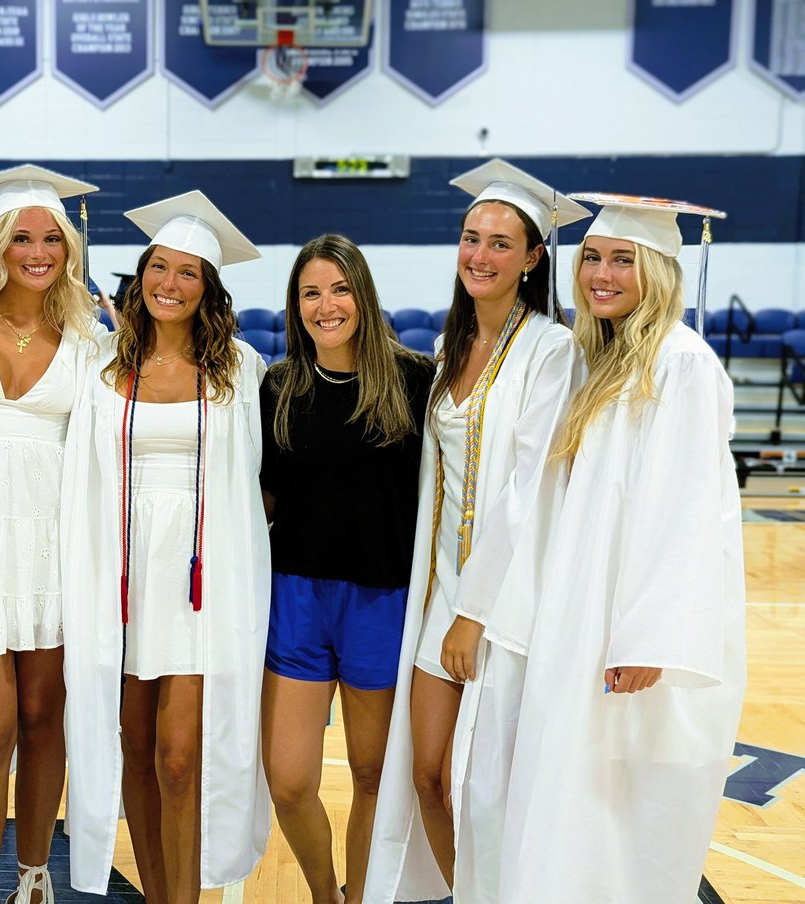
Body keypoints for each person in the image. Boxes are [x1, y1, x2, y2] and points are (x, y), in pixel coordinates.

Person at [495, 196, 746, 903]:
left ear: (660, 269)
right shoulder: (595, 360)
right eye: (594, 258)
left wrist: (648, 636)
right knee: (567, 797)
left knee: (624, 812)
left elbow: (684, 509)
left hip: (629, 631)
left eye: (622, 260)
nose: (602, 274)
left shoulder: (680, 363)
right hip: (579, 619)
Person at [366, 160, 590, 904]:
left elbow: (531, 490)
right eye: (470, 238)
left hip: (505, 604)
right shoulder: (446, 350)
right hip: (440, 594)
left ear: (533, 259)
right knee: (427, 772)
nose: (480, 256)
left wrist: (475, 610)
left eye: (500, 243)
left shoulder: (550, 352)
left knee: (484, 787)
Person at [62, 191, 271, 903]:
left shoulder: (239, 370)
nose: (169, 284)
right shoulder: (102, 370)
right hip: (123, 580)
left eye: (188, 273)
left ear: (209, 288)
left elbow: (260, 480)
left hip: (200, 585)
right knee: (137, 756)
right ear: (140, 274)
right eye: (159, 266)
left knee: (180, 758)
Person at [0, 164, 106, 904]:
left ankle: (35, 875)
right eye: (22, 239)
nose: (38, 252)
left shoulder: (89, 336)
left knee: (46, 719)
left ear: (68, 248)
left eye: (51, 239)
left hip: (51, 539)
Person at [259, 234, 434, 904]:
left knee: (370, 774)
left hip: (381, 602)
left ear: (362, 293)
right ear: (295, 304)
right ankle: (324, 894)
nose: (325, 305)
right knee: (290, 781)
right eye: (310, 292)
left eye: (339, 289)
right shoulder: (279, 387)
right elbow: (264, 501)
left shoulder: (415, 381)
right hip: (298, 599)